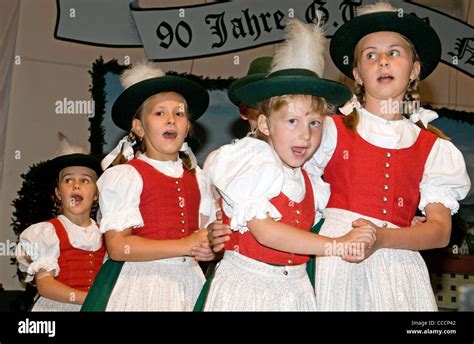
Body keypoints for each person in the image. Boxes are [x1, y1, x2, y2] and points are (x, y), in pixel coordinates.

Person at [200, 19, 375, 311]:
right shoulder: (252, 161)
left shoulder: (310, 181)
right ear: (265, 124)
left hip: (295, 290)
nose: (305, 134)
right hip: (248, 289)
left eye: (315, 123)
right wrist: (339, 244)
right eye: (292, 121)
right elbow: (267, 232)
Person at [309, 1, 471, 310]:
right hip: (337, 259)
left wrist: (383, 238)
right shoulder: (328, 131)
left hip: (398, 267)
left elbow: (439, 232)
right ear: (357, 74)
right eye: (371, 55)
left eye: (394, 53)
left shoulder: (434, 148)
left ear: (414, 70)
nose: (383, 61)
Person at [81, 62, 214, 311]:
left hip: (189, 284)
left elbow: (204, 234)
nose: (171, 120)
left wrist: (211, 250)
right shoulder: (126, 176)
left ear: (187, 128)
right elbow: (119, 247)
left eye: (179, 113)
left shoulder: (199, 178)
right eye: (159, 113)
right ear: (139, 128)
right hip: (142, 284)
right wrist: (185, 245)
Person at [16, 137, 105, 311]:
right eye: (68, 180)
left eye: (85, 180)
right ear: (58, 192)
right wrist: (90, 300)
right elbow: (45, 285)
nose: (76, 186)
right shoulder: (47, 233)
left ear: (96, 193)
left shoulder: (106, 235)